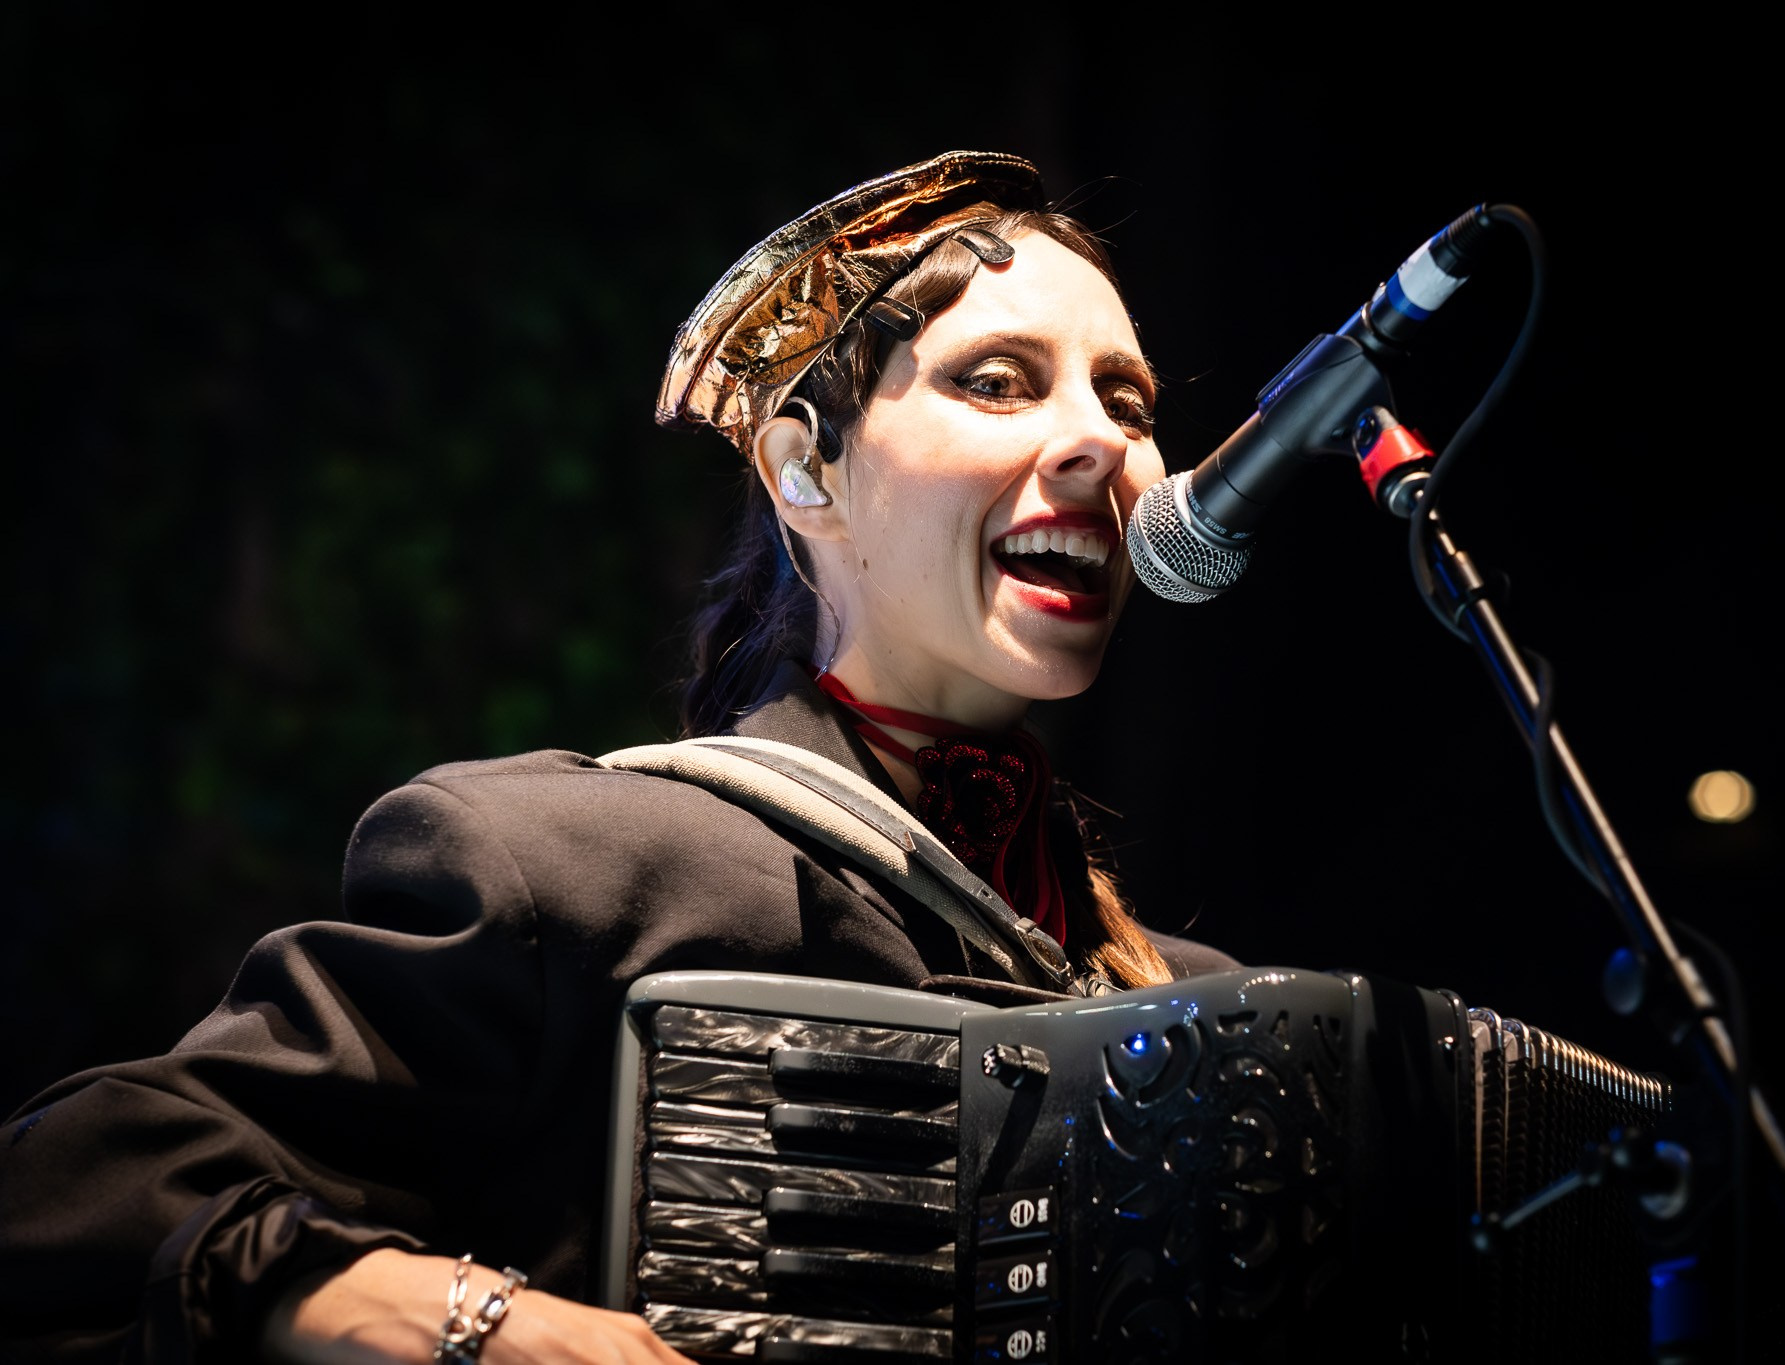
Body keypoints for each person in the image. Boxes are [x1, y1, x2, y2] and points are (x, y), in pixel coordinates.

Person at [0, 151, 1237, 1363]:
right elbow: (69, 1182)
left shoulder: (1195, 1015)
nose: (1103, 448)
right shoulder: (582, 871)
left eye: (1125, 404)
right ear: (806, 468)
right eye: (1000, 381)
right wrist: (469, 1322)